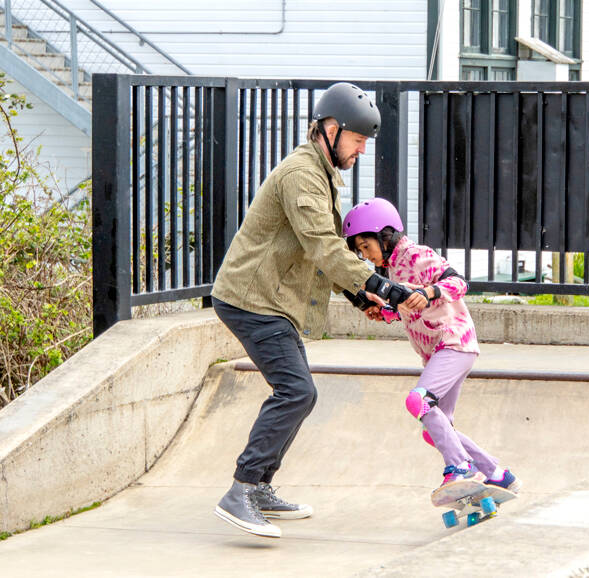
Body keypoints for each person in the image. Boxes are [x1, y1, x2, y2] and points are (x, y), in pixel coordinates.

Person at [210, 83, 414, 538]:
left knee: (302, 393)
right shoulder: (302, 175)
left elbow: (319, 249)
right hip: (251, 299)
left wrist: (359, 295)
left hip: (270, 301)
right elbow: (323, 247)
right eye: (358, 140)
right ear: (330, 129)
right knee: (296, 392)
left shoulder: (322, 174)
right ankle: (241, 489)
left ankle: (258, 486)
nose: (361, 150)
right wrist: (383, 284)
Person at [342, 198, 521, 494]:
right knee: (435, 431)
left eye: (366, 246)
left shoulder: (415, 255)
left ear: (384, 235)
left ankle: (460, 467)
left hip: (453, 343)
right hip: (443, 351)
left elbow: (458, 283)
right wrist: (386, 311)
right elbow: (409, 305)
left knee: (419, 401)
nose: (366, 256)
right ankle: (496, 473)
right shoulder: (395, 269)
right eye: (360, 251)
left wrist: (429, 292)